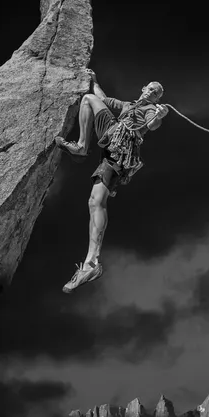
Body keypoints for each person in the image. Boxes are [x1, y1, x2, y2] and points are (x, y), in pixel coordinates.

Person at [55, 69, 169, 294]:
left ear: (157, 99)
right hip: (111, 135)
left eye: (157, 93)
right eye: (151, 88)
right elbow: (103, 97)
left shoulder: (148, 110)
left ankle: (91, 263)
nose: (153, 93)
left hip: (122, 148)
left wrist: (160, 114)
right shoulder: (128, 105)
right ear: (143, 89)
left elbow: (152, 125)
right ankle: (81, 146)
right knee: (90, 98)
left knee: (95, 201)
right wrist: (94, 80)